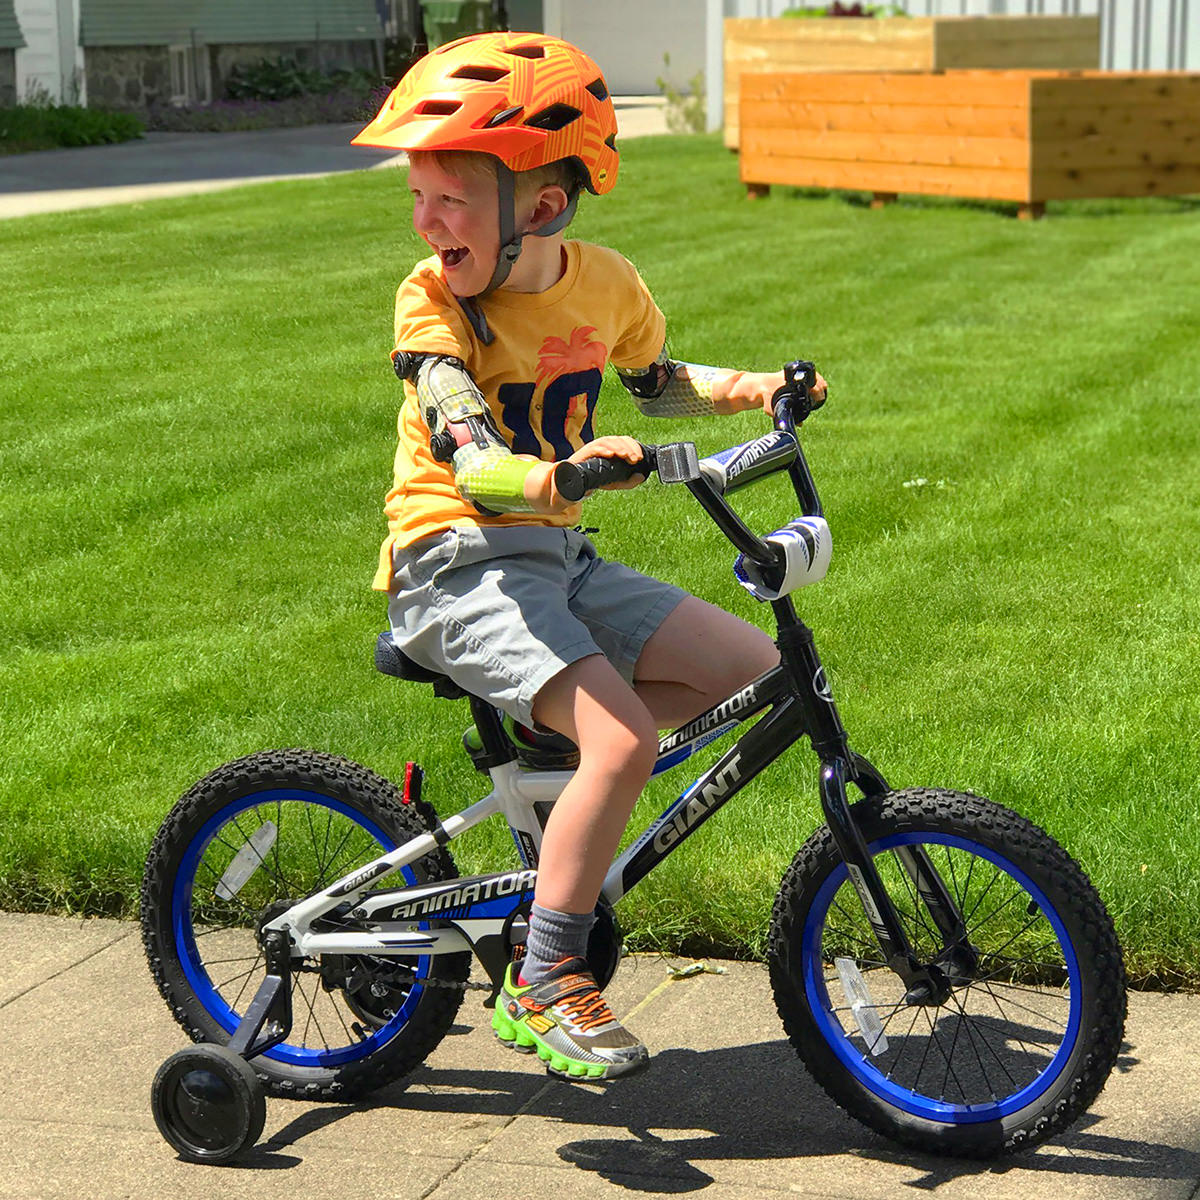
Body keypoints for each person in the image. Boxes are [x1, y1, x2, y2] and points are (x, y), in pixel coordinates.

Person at [352, 31, 825, 1081]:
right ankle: (545, 976)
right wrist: (558, 478)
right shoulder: (433, 299)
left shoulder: (605, 283)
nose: (426, 222)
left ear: (543, 207)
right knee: (621, 742)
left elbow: (658, 382)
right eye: (419, 197)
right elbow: (467, 449)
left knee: (751, 670)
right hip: (453, 558)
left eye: (450, 199)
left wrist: (754, 388)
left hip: (553, 556)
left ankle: (566, 772)